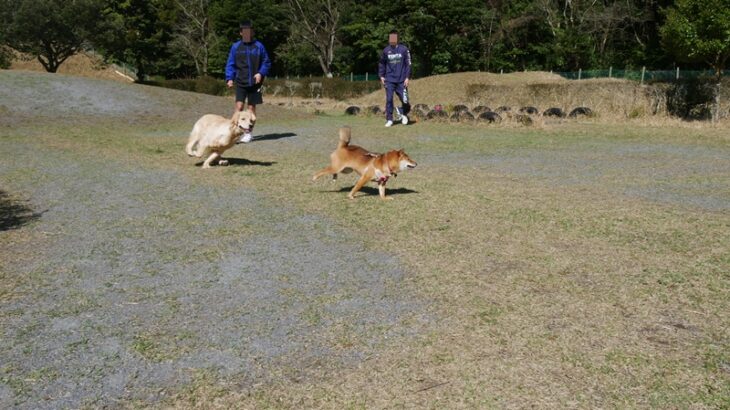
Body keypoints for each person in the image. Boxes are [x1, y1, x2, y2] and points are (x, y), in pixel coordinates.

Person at [225, 21, 271, 143]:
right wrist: (230, 78)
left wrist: (260, 73)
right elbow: (231, 63)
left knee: (251, 108)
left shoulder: (259, 46)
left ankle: (248, 133)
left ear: (253, 32)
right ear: (241, 33)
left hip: (256, 83)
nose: (247, 33)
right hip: (241, 81)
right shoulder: (235, 47)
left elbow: (266, 62)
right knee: (239, 107)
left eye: (249, 31)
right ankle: (234, 133)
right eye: (244, 31)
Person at [378, 30, 411, 127]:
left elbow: (408, 64)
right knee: (389, 99)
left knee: (405, 100)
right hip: (389, 80)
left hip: (402, 80)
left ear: (397, 39)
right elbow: (382, 63)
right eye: (390, 38)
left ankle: (403, 112)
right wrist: (382, 76)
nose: (392, 40)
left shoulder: (404, 50)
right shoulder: (385, 51)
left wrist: (407, 77)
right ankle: (389, 119)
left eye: (394, 38)